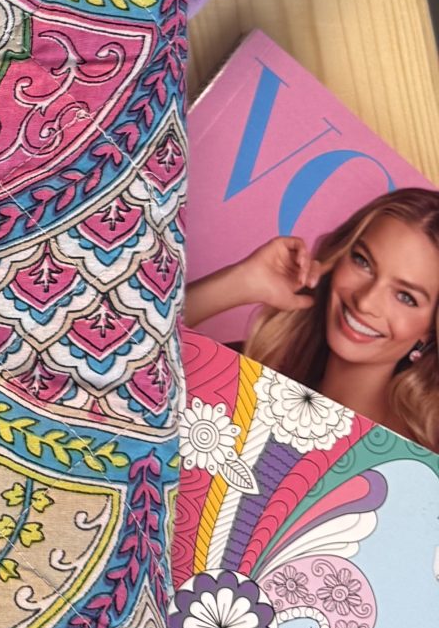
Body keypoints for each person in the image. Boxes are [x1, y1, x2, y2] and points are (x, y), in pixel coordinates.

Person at [185, 188, 439, 447]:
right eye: (363, 262)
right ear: (339, 257)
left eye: (405, 297)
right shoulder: (247, 375)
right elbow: (155, 349)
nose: (365, 301)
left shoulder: (422, 459)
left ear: (430, 329)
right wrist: (241, 281)